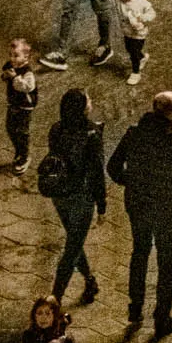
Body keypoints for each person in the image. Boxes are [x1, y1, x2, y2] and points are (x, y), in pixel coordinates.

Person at [107, 89, 172, 337]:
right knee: (166, 263)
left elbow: (113, 167)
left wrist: (129, 182)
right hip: (167, 211)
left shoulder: (133, 135)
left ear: (152, 107)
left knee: (139, 252)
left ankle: (135, 307)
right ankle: (162, 317)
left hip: (138, 206)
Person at [42, 87, 107, 305]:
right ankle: (55, 299)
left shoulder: (56, 129)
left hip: (59, 194)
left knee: (74, 240)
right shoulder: (92, 135)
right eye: (88, 100)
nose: (91, 102)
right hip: (81, 196)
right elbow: (97, 172)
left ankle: (90, 280)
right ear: (82, 108)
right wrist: (102, 204)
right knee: (72, 248)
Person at [1, 37, 38, 174]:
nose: (12, 59)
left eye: (16, 56)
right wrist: (5, 76)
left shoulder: (27, 72)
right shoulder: (11, 66)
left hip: (24, 106)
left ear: (26, 56)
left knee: (22, 132)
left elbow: (27, 87)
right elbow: (4, 75)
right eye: (11, 55)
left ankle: (25, 156)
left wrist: (15, 77)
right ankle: (19, 150)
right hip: (13, 104)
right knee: (10, 128)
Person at [116, 0, 156, 83]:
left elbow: (152, 14)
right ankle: (142, 57)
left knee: (133, 52)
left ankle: (135, 73)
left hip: (139, 34)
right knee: (129, 49)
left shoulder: (142, 2)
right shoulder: (122, 0)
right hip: (127, 32)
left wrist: (143, 18)